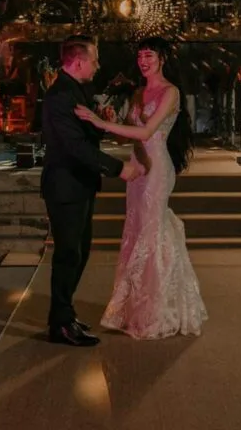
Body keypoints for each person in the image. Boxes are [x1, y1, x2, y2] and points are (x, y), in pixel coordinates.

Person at [75, 36, 208, 340]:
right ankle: (134, 308)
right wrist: (111, 121)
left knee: (151, 233)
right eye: (140, 56)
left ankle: (156, 312)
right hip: (136, 168)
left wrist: (100, 122)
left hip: (157, 170)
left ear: (162, 58)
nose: (143, 61)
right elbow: (131, 136)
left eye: (149, 55)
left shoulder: (170, 92)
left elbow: (149, 131)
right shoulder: (138, 93)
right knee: (137, 232)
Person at [41, 34, 142, 347]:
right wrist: (118, 168)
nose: (99, 66)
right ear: (79, 61)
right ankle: (60, 324)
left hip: (79, 185)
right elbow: (73, 147)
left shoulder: (76, 90)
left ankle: (65, 315)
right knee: (69, 254)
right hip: (65, 186)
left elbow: (81, 135)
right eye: (95, 59)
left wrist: (99, 122)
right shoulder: (60, 95)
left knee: (80, 252)